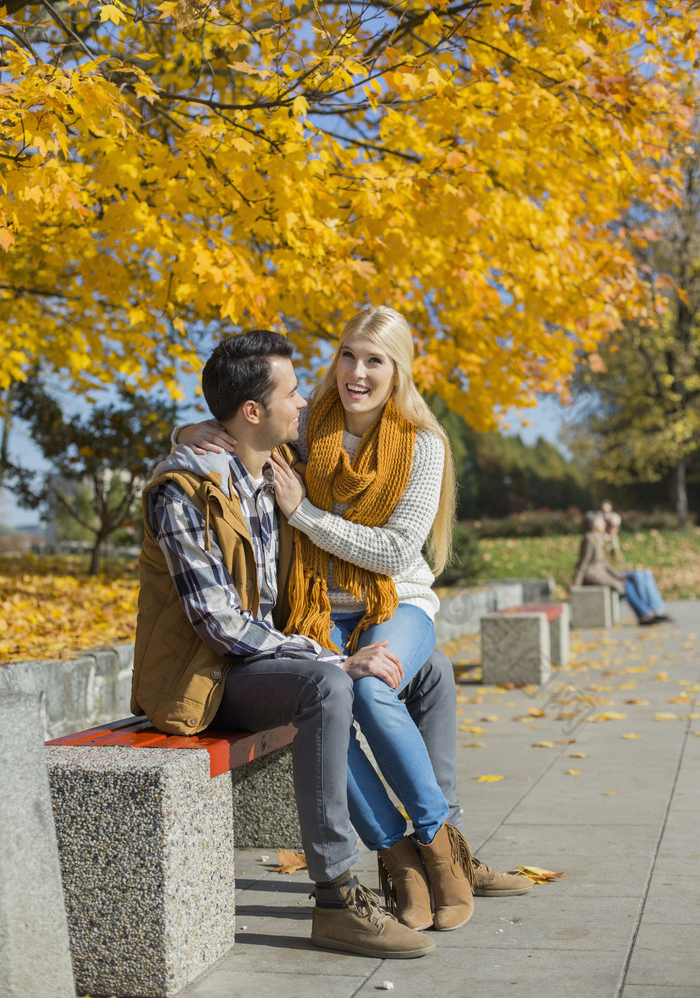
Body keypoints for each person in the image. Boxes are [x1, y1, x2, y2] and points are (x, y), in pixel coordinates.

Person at [177, 306, 533, 931]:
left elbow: (398, 550)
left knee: (371, 686)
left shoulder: (424, 444)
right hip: (317, 608)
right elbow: (244, 423)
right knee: (324, 701)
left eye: (374, 360)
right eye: (347, 355)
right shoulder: (309, 424)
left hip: (398, 601)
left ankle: (437, 846)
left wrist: (303, 513)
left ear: (399, 370)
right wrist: (186, 432)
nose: (357, 372)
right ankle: (397, 856)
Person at [131, 330, 436, 959]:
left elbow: (339, 440)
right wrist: (332, 655)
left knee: (426, 670)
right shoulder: (182, 493)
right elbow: (218, 623)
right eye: (292, 394)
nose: (304, 404)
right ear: (252, 412)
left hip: (258, 661)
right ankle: (336, 898)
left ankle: (440, 848)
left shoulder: (272, 470)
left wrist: (189, 425)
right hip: (202, 677)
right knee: (327, 683)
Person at [571, 511, 666, 624]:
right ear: (595, 525)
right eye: (602, 523)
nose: (604, 525)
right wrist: (576, 583)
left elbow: (604, 563)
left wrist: (617, 575)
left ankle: (645, 614)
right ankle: (646, 614)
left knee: (627, 584)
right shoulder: (589, 538)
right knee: (624, 585)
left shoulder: (597, 538)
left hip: (601, 573)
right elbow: (584, 562)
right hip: (592, 575)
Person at [602, 509, 670, 622]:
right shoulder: (602, 540)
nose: (614, 528)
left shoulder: (613, 539)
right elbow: (602, 563)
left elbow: (619, 562)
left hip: (620, 571)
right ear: (605, 525)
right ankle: (650, 611)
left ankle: (658, 609)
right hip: (613, 574)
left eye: (617, 526)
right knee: (637, 577)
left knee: (646, 574)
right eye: (611, 525)